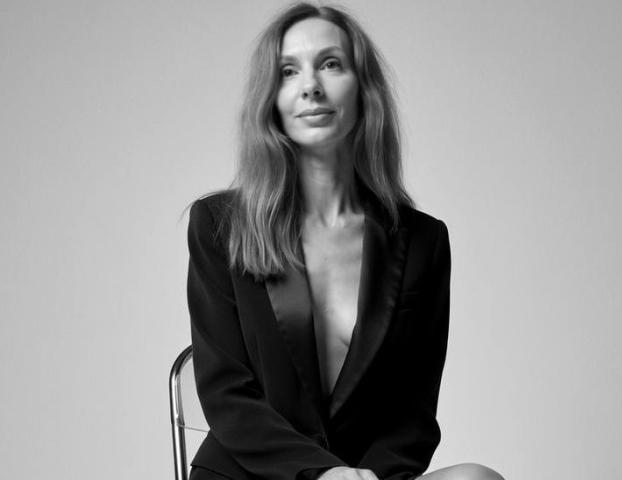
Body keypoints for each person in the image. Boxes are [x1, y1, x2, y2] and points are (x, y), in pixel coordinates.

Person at [186, 3, 504, 480]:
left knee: (477, 478)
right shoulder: (220, 224)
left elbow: (413, 416)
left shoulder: (424, 241)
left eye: (330, 64)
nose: (310, 85)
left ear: (364, 88)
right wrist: (321, 474)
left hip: (363, 477)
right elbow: (227, 395)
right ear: (271, 98)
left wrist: (361, 478)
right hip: (251, 474)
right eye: (288, 71)